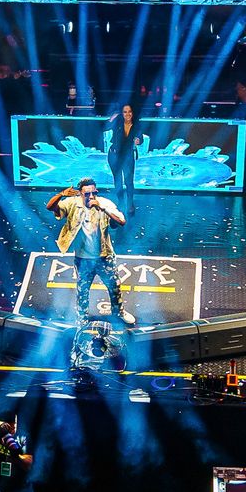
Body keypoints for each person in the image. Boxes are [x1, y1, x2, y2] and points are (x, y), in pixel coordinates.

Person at [47, 178, 135, 326]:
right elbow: (50, 207)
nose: (91, 196)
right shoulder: (72, 203)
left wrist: (102, 208)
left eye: (94, 193)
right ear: (80, 194)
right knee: (82, 290)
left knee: (114, 286)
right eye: (87, 194)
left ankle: (118, 313)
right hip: (83, 258)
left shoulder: (104, 203)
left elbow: (121, 221)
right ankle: (82, 317)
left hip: (104, 256)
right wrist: (61, 194)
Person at [106, 104, 141, 215]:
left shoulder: (136, 125)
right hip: (114, 155)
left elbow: (140, 137)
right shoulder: (117, 124)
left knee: (129, 181)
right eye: (125, 112)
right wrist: (112, 118)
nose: (127, 114)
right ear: (122, 113)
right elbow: (105, 127)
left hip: (128, 156)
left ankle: (130, 203)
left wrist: (138, 140)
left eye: (129, 111)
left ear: (132, 113)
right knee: (118, 181)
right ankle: (120, 202)